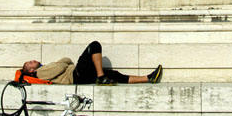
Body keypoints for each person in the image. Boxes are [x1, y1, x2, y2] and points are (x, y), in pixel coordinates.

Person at [21, 41, 162, 86]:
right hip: (76, 75)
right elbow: (62, 65)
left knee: (114, 74)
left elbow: (65, 61)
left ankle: (148, 78)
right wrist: (62, 63)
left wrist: (63, 63)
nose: (33, 60)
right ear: (32, 71)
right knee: (94, 46)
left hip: (80, 76)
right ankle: (101, 77)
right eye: (30, 63)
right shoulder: (41, 72)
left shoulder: (43, 69)